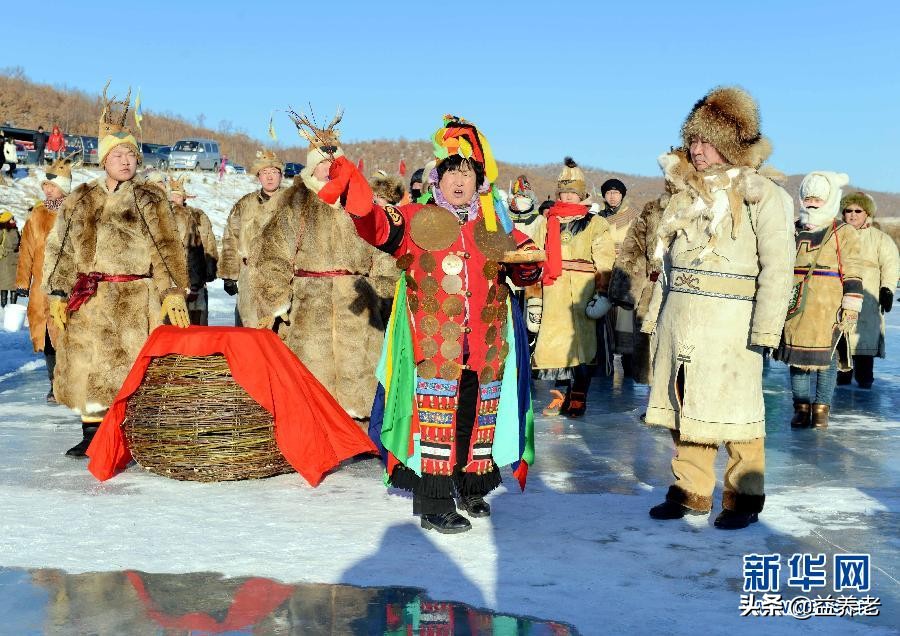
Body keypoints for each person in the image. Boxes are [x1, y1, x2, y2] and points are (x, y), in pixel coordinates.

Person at [331, 115, 542, 533]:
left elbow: (526, 263)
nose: (460, 181)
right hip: (433, 346)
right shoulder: (413, 218)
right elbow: (374, 224)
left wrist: (531, 267)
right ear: (437, 179)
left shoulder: (495, 223)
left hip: (486, 341)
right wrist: (349, 179)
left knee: (475, 414)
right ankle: (434, 502)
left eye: (468, 173)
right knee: (434, 418)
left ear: (480, 180)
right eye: (452, 173)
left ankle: (471, 485)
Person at [644, 86, 794, 530]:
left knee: (738, 409)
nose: (697, 150)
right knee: (684, 403)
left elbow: (778, 265)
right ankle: (689, 491)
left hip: (733, 321)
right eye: (693, 140)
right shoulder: (685, 195)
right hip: (682, 315)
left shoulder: (763, 195)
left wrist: (767, 328)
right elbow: (666, 266)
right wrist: (656, 312)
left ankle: (743, 498)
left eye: (708, 141)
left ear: (730, 145)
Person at [41, 83, 189, 457]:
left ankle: (130, 438)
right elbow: (61, 249)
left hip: (135, 299)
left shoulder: (149, 198)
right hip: (89, 299)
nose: (125, 161)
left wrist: (172, 292)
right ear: (103, 159)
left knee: (131, 370)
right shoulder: (81, 198)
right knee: (88, 367)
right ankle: (91, 437)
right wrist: (57, 292)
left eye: (131, 154)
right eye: (118, 154)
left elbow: (166, 250)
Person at [251, 115, 399, 419]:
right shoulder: (294, 202)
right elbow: (271, 254)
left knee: (363, 378)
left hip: (359, 307)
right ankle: (317, 433)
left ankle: (364, 432)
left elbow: (384, 249)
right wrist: (279, 302)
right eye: (322, 163)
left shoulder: (361, 202)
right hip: (309, 309)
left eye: (334, 162)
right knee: (310, 383)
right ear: (311, 166)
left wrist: (384, 291)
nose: (329, 168)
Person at [775, 172, 863, 428]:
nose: (812, 203)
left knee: (827, 360)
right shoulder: (793, 229)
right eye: (808, 197)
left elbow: (852, 268)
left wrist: (851, 304)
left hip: (828, 306)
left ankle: (822, 409)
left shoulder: (843, 232)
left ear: (830, 199)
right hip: (795, 305)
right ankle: (801, 409)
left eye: (818, 198)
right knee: (796, 359)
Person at [531, 158, 615, 417]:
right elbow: (534, 255)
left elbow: (604, 258)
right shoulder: (546, 222)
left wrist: (602, 292)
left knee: (581, 347)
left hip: (582, 290)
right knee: (554, 346)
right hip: (553, 290)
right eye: (564, 191)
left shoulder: (595, 223)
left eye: (572, 192)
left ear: (581, 195)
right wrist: (534, 296)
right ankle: (559, 395)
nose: (567, 195)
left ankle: (578, 396)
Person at [15, 158, 72, 401]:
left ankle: (69, 381)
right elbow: (26, 249)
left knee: (68, 336)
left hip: (70, 287)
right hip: (41, 288)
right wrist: (22, 281)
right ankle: (54, 383)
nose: (47, 189)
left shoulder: (74, 213)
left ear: (64, 187)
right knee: (47, 339)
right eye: (45, 185)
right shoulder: (36, 215)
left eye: (52, 185)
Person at [836, 192, 899, 388]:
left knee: (864, 347)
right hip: (839, 297)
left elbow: (890, 265)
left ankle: (865, 385)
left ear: (867, 213)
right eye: (848, 211)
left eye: (857, 211)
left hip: (868, 301)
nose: (852, 215)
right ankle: (841, 385)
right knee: (840, 344)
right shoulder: (836, 236)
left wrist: (887, 289)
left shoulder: (880, 239)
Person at [607, 191, 668, 384]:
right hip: (652, 287)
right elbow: (632, 251)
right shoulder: (652, 211)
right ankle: (657, 402)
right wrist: (622, 291)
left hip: (692, 289)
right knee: (648, 341)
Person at [219, 150, 284, 326]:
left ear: (281, 175)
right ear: (258, 177)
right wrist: (229, 275)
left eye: (273, 172)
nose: (269, 177)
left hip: (282, 277)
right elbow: (230, 238)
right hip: (249, 275)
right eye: (265, 173)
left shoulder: (291, 203)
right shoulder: (245, 204)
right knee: (249, 328)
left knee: (281, 333)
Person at [597, 178, 640, 376]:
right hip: (603, 272)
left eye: (616, 193)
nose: (613, 196)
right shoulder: (597, 219)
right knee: (603, 320)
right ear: (604, 196)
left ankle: (630, 370)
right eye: (609, 193)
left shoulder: (633, 216)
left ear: (622, 195)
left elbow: (640, 244)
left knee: (625, 323)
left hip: (625, 275)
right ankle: (603, 369)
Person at [168, 175, 219, 325]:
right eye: (171, 195)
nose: (174, 199)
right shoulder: (164, 217)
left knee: (196, 323)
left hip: (196, 277)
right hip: (171, 281)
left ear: (184, 197)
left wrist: (209, 271)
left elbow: (208, 243)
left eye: (177, 195)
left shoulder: (198, 216)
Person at [0, 210, 20, 307]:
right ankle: (3, 306)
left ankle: (13, 306)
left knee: (14, 285)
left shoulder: (16, 230)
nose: (13, 220)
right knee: (4, 284)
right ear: (7, 220)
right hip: (5, 260)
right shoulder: (2, 231)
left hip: (15, 260)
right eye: (11, 218)